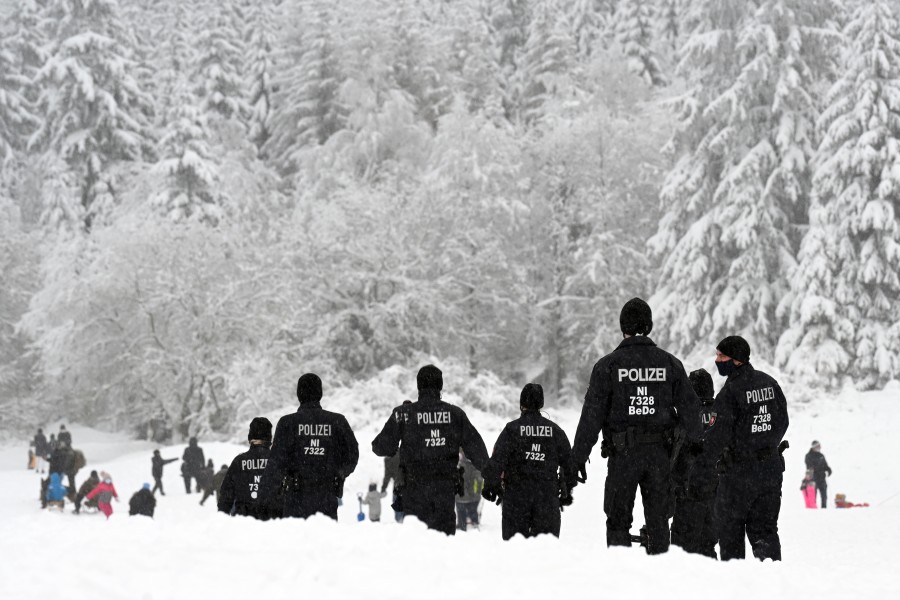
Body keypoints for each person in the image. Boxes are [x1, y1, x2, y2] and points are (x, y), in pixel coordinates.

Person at [572, 298, 702, 554]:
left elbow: (591, 417)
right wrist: (695, 449)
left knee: (618, 521)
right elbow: (691, 411)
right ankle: (660, 579)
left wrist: (577, 458)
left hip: (623, 457)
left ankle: (621, 581)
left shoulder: (608, 366)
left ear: (623, 327)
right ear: (649, 326)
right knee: (659, 523)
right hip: (660, 457)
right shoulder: (670, 364)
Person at [699, 336, 789, 561]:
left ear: (737, 360)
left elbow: (716, 437)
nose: (717, 360)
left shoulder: (730, 393)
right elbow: (783, 421)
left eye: (722, 356)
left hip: (738, 474)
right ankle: (771, 586)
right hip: (770, 471)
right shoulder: (769, 383)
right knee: (765, 533)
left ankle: (736, 587)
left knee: (730, 534)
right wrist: (765, 443)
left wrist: (703, 465)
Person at [372, 365, 489, 536]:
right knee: (443, 544)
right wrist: (493, 479)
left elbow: (381, 447)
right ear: (440, 386)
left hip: (413, 492)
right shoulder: (455, 414)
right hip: (445, 492)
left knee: (417, 544)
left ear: (418, 386)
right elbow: (477, 452)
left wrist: (402, 423)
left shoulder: (403, 414)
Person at [482, 383, 575, 540]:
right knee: (546, 551)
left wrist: (491, 485)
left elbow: (497, 461)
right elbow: (569, 464)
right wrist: (566, 490)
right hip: (547, 497)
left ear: (521, 404)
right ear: (541, 403)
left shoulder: (511, 430)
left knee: (515, 550)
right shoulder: (555, 431)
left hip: (516, 497)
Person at [260, 374, 359, 520]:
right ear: (320, 393)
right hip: (326, 498)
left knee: (297, 540)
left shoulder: (287, 423)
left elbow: (276, 464)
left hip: (295, 497)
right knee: (324, 540)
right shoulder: (337, 421)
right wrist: (339, 474)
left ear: (299, 394)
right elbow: (352, 454)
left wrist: (264, 497)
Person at [670, 368, 719, 558]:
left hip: (687, 486)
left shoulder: (684, 415)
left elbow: (674, 449)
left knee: (682, 547)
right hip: (716, 487)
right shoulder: (722, 413)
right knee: (708, 544)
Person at [219, 417, 273, 518]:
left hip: (243, 524)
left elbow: (226, 495)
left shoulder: (238, 461)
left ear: (250, 437)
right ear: (269, 437)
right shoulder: (278, 460)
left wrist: (222, 520)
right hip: (273, 523)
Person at [456, 449, 484, 532]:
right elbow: (479, 480)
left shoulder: (460, 465)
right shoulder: (476, 464)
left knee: (461, 508)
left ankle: (462, 524)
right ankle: (474, 521)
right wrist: (477, 493)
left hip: (461, 497)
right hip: (473, 497)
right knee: (472, 508)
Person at [805, 441, 832, 508]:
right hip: (813, 479)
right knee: (813, 496)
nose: (820, 447)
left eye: (820, 445)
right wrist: (816, 471)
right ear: (814, 447)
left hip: (822, 479)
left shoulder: (821, 455)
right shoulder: (808, 456)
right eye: (818, 446)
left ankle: (824, 509)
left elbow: (825, 465)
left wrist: (828, 470)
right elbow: (809, 467)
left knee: (824, 496)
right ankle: (814, 511)